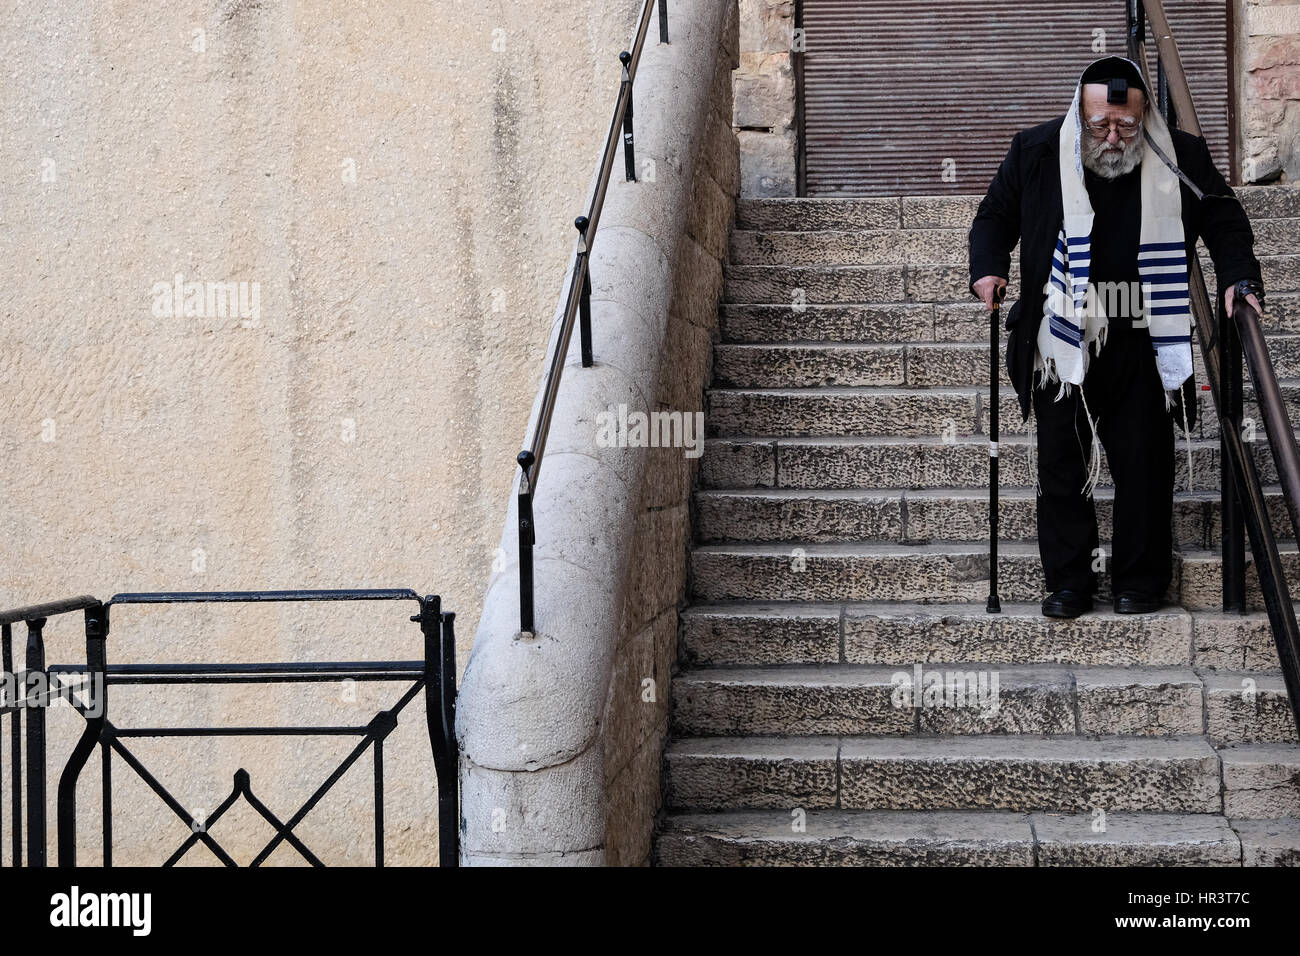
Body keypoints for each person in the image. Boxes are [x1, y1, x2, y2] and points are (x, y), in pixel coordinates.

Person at [968, 55, 1264, 618]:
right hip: (1062, 333)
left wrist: (1238, 276)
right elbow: (993, 216)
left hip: (1141, 334)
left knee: (1144, 461)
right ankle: (1070, 584)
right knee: (1061, 463)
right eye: (1100, 124)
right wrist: (987, 266)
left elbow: (1224, 218)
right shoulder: (1035, 151)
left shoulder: (1179, 156)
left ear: (1144, 113)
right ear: (1079, 113)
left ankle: (1139, 581)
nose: (1112, 136)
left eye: (1126, 126)